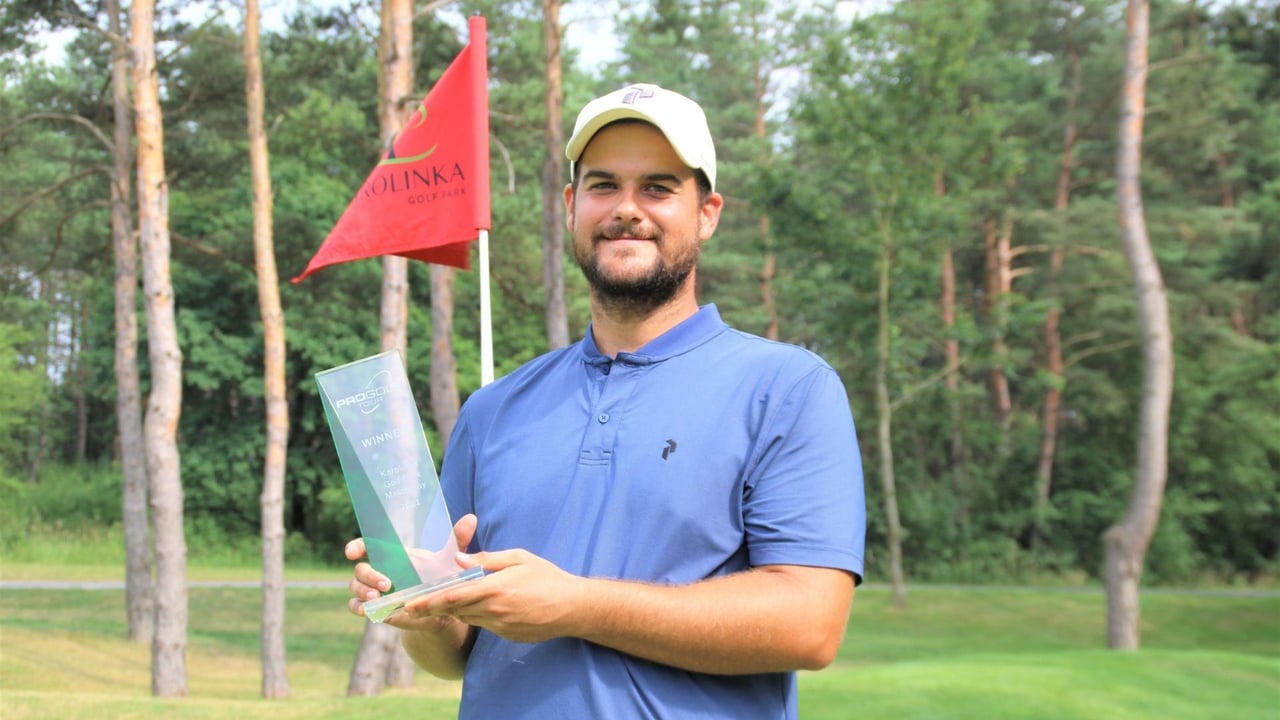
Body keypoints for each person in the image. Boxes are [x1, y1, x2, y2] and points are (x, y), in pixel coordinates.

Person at [346, 82, 866, 719]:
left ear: (707, 212)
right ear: (571, 206)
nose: (627, 209)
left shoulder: (787, 389)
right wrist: (425, 609)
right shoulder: (494, 409)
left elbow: (809, 626)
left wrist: (577, 605)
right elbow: (456, 656)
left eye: (657, 187)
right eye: (602, 186)